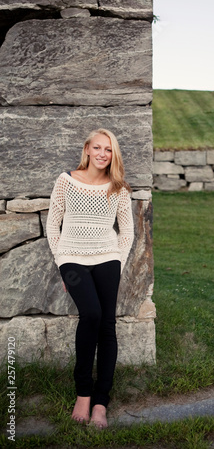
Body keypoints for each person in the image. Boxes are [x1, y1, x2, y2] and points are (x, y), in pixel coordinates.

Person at [46, 128, 134, 429]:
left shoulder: (118, 187)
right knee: (91, 314)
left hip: (108, 259)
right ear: (87, 149)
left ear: (113, 154)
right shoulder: (66, 181)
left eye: (108, 150)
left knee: (107, 325)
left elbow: (127, 231)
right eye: (97, 148)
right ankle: (82, 393)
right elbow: (52, 226)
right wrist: (61, 263)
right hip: (72, 260)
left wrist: (118, 263)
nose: (102, 154)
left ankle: (100, 402)